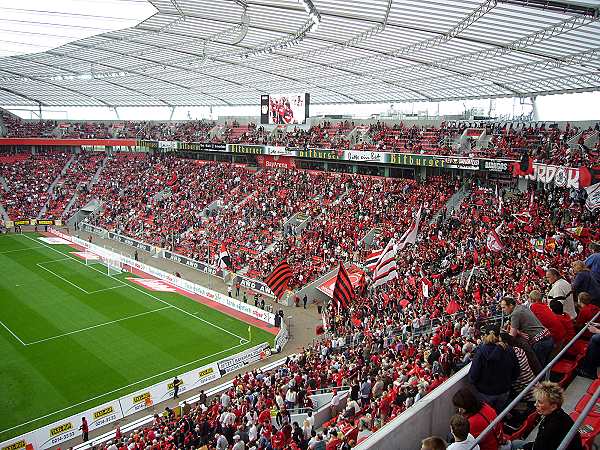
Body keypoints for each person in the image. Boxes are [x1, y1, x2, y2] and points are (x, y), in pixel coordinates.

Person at [511, 382, 583, 450]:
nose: (535, 404)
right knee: (515, 443)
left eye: (540, 402)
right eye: (536, 401)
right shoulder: (561, 415)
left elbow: (539, 447)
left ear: (553, 407)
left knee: (514, 445)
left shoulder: (551, 426)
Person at [468, 330, 520, 412]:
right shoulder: (509, 349)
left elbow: (473, 376)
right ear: (499, 336)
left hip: (486, 393)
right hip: (504, 390)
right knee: (499, 414)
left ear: (485, 336)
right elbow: (516, 371)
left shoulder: (481, 353)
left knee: (488, 415)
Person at [500, 296, 554, 367]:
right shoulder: (522, 307)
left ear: (511, 305)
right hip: (547, 338)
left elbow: (512, 336)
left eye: (504, 307)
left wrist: (512, 332)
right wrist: (518, 331)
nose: (502, 310)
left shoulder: (515, 314)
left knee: (542, 369)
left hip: (540, 343)